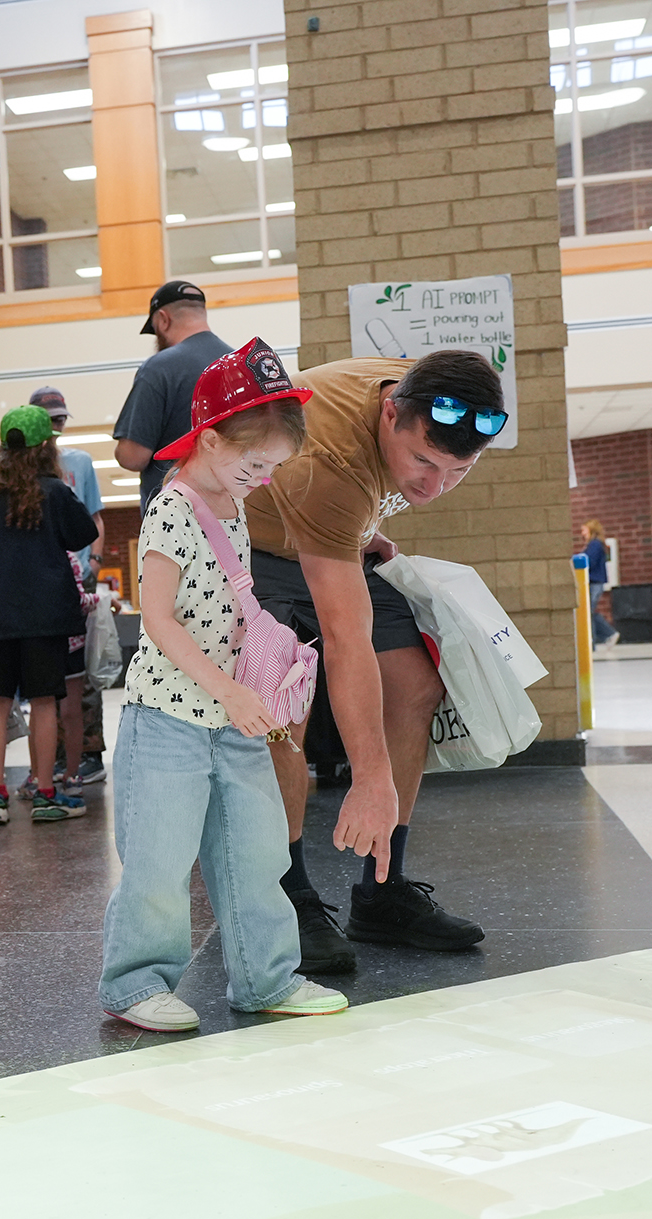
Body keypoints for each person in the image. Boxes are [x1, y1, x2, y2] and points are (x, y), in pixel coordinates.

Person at [98, 338, 348, 1032]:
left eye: (272, 467)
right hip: (169, 716)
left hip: (234, 714)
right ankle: (134, 983)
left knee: (256, 852)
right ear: (210, 438)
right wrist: (230, 690)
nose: (263, 478)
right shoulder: (171, 509)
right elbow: (158, 621)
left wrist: (244, 691)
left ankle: (266, 977)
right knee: (158, 858)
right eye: (254, 463)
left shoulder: (234, 504)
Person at [249, 350, 509, 974]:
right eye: (423, 461)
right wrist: (369, 778)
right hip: (253, 546)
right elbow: (347, 640)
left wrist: (362, 530)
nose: (433, 487)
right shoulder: (327, 465)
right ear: (390, 414)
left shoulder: (427, 381)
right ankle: (288, 897)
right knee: (284, 707)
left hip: (333, 534)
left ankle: (381, 892)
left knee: (415, 684)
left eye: (458, 470)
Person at [0, 405, 98, 825]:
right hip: (45, 617)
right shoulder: (54, 492)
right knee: (43, 703)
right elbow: (84, 533)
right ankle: (45, 793)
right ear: (47, 447)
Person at [31, 385, 109, 789]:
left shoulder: (80, 461)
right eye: (50, 420)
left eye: (61, 419)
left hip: (78, 580)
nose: (56, 426)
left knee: (83, 678)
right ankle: (52, 757)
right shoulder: (23, 469)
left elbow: (95, 517)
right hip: (42, 578)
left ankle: (87, 754)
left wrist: (93, 561)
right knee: (45, 681)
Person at [112, 281, 231, 514]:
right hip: (234, 512)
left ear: (163, 320)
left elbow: (132, 457)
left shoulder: (159, 368)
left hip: (176, 516)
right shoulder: (240, 364)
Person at [581, 519, 618, 648]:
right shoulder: (595, 544)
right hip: (595, 582)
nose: (582, 533)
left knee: (588, 612)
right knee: (589, 612)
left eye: (584, 530)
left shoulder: (595, 545)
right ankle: (607, 634)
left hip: (594, 582)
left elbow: (589, 562)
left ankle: (605, 635)